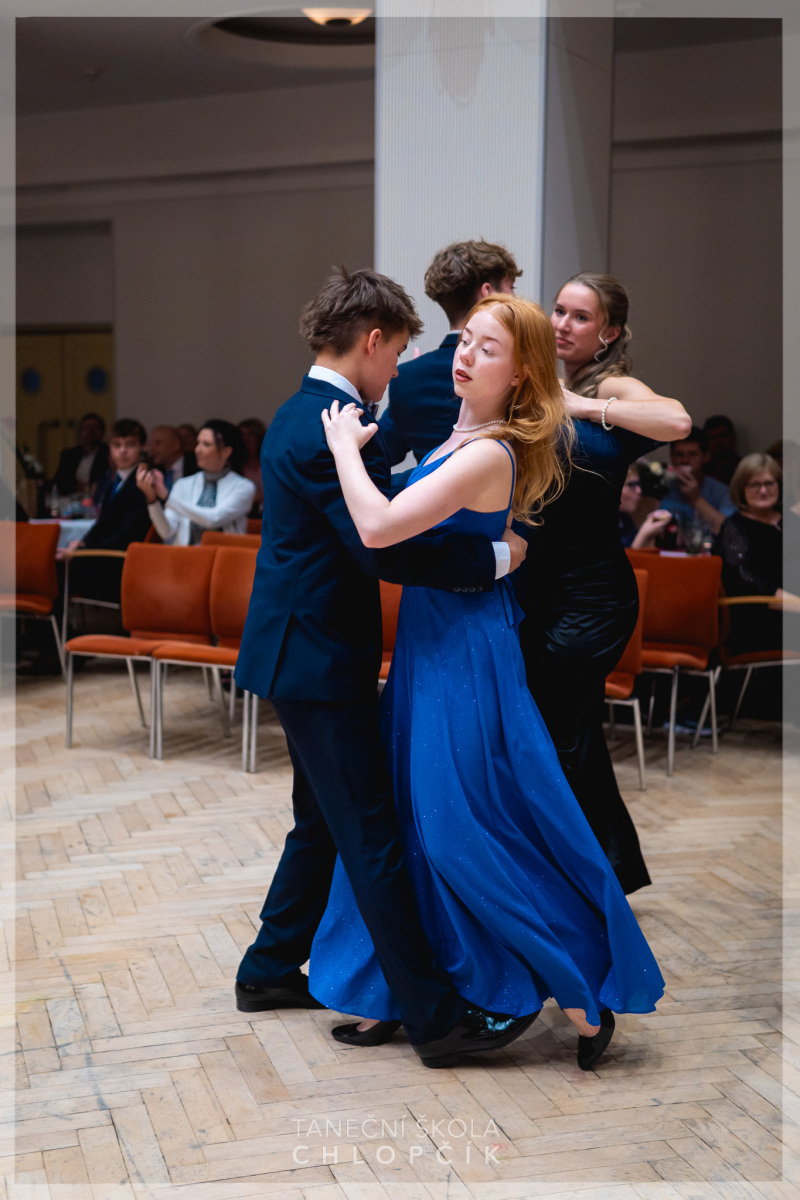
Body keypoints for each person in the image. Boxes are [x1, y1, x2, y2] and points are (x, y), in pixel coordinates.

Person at [312, 294, 664, 1069]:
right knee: (413, 818)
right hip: (432, 645)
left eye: (488, 349)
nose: (466, 356)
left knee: (459, 831)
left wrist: (342, 447)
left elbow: (379, 528)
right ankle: (391, 992)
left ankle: (582, 993)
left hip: (463, 654)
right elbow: (445, 533)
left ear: (523, 373)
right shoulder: (459, 437)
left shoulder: (490, 450)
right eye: (466, 340)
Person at [232, 268, 534, 1069]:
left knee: (323, 822)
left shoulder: (307, 414)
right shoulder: (321, 427)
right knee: (372, 837)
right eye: (397, 352)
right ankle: (435, 1020)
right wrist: (494, 558)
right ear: (372, 342)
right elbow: (382, 548)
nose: (399, 368)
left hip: (304, 652)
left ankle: (268, 968)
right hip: (317, 660)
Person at [513, 272, 691, 896]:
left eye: (581, 317)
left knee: (552, 728)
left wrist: (586, 407)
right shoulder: (536, 383)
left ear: (609, 332)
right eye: (559, 310)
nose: (562, 324)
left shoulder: (606, 384)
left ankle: (572, 879)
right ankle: (611, 870)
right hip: (537, 591)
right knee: (573, 732)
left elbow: (677, 420)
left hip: (593, 599)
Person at [379, 239, 522, 467]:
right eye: (511, 288)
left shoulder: (406, 378)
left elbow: (379, 457)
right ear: (488, 293)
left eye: (487, 350)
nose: (516, 298)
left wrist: (416, 378)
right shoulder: (516, 376)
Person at [66, 418, 151, 613]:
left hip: (120, 563)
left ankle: (53, 629)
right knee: (54, 565)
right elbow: (102, 524)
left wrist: (86, 550)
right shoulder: (113, 481)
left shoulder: (143, 483)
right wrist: (83, 542)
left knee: (55, 571)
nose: (123, 451)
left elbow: (129, 533)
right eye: (117, 445)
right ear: (110, 448)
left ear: (142, 447)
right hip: (104, 556)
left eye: (130, 445)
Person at [137, 420, 255, 544]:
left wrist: (167, 497)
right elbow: (166, 531)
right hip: (187, 554)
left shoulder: (243, 486)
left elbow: (212, 519)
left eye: (206, 444)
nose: (198, 449)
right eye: (198, 443)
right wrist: (152, 500)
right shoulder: (183, 484)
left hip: (224, 554)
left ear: (226, 451)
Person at [712, 453, 783, 655]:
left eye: (769, 483)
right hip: (759, 619)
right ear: (741, 489)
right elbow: (747, 581)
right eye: (754, 484)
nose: (763, 490)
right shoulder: (734, 527)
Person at [661, 427, 736, 538]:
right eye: (679, 454)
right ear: (671, 456)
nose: (685, 460)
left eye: (692, 454)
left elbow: (730, 533)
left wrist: (696, 499)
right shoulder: (662, 489)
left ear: (706, 456)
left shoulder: (722, 492)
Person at [52, 412, 109, 496]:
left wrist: (87, 487)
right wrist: (75, 486)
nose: (90, 431)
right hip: (71, 497)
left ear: (102, 431)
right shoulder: (69, 455)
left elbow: (106, 481)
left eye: (95, 427)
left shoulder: (108, 454)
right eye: (86, 428)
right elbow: (59, 481)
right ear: (80, 431)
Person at [618, 463, 672, 549]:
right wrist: (644, 534)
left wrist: (651, 531)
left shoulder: (624, 518)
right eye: (632, 485)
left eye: (638, 484)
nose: (639, 491)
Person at [146, 424, 197, 492]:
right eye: (150, 444)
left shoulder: (196, 465)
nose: (152, 449)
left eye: (158, 443)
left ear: (176, 445)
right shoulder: (154, 471)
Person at [238, 417, 267, 514]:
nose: (246, 439)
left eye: (251, 435)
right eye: (242, 435)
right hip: (243, 514)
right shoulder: (234, 466)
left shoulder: (269, 463)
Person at [703, 414, 741, 486]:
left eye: (722, 436)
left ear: (733, 437)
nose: (718, 441)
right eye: (713, 437)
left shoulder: (743, 467)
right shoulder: (700, 469)